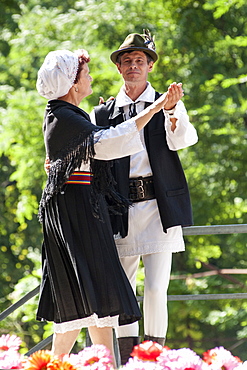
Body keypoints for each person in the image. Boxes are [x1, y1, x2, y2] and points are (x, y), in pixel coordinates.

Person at [36, 48, 170, 368]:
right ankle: (64, 364)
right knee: (85, 289)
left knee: (97, 291)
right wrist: (153, 109)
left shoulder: (69, 114)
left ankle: (104, 364)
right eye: (86, 73)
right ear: (72, 82)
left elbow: (94, 147)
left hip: (81, 206)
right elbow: (108, 143)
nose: (91, 77)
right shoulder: (64, 115)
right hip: (75, 211)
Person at [91, 31, 198, 364]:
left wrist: (173, 114)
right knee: (125, 292)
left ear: (150, 66)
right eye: (127, 61)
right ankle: (127, 361)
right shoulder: (104, 114)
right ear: (119, 69)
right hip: (121, 211)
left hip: (159, 209)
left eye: (140, 61)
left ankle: (153, 361)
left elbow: (184, 140)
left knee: (154, 290)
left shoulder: (168, 103)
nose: (133, 66)